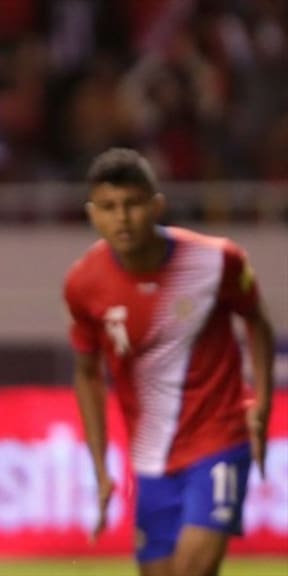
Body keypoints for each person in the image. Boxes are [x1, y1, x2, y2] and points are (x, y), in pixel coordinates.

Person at [63, 148, 275, 576]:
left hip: (219, 440)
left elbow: (257, 323)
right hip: (152, 458)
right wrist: (101, 467)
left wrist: (263, 404)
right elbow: (87, 373)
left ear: (157, 206)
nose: (122, 218)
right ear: (92, 214)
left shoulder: (216, 261)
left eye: (133, 204)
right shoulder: (84, 283)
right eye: (109, 207)